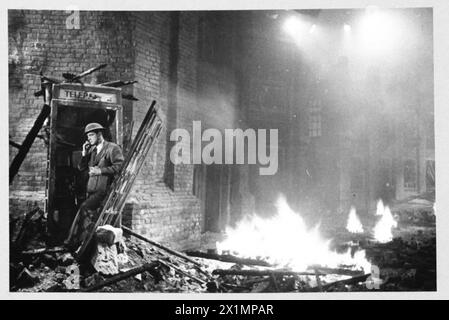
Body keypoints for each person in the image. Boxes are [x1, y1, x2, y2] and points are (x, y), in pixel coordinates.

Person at [66, 122, 124, 251]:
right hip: (91, 190)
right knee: (90, 218)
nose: (89, 138)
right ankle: (87, 245)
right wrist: (84, 154)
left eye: (91, 135)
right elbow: (81, 168)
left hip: (104, 191)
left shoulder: (112, 148)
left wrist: (101, 171)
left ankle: (72, 242)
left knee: (84, 209)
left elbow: (120, 167)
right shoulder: (91, 150)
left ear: (99, 134)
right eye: (88, 136)